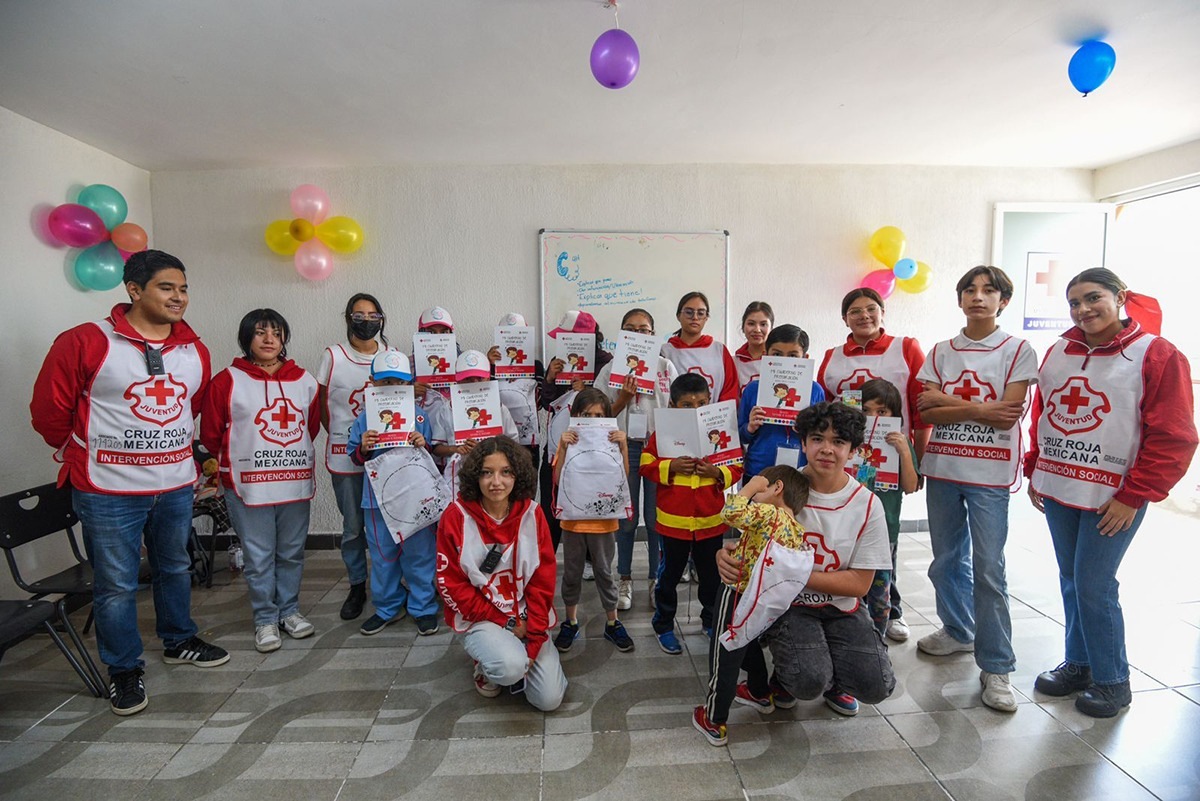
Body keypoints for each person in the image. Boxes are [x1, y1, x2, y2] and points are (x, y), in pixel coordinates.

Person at [31, 250, 229, 717]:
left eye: (183, 288)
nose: (178, 297)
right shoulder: (86, 341)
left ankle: (178, 639)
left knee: (175, 568)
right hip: (108, 489)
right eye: (166, 287)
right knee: (116, 584)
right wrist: (80, 450)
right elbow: (49, 412)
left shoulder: (194, 350)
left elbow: (190, 407)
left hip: (175, 484)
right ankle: (123, 669)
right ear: (134, 290)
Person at [1026, 268, 1197, 717]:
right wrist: (1035, 467)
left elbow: (1173, 436)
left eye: (1093, 298)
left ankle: (1112, 680)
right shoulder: (1060, 350)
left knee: (1094, 584)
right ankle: (1079, 664)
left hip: (1114, 496)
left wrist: (1135, 494)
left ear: (1120, 297)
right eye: (1074, 303)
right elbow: (1043, 411)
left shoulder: (1156, 354)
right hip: (1060, 486)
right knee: (1071, 581)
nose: (1083, 310)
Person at [716, 402, 895, 716]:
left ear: (853, 451)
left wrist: (789, 572)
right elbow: (747, 536)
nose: (827, 449)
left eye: (838, 442)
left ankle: (836, 679)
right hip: (792, 605)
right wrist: (727, 555)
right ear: (803, 443)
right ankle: (789, 677)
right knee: (807, 680)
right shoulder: (782, 489)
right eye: (817, 439)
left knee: (876, 685)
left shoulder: (867, 504)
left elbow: (858, 584)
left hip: (842, 605)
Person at [914, 266, 1038, 713]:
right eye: (970, 289)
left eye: (989, 291)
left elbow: (1010, 415)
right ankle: (958, 631)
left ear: (1003, 300)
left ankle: (997, 666)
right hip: (945, 469)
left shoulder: (1018, 349)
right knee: (946, 561)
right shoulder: (942, 351)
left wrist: (957, 406)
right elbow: (928, 409)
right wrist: (983, 408)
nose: (978, 297)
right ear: (959, 298)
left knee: (988, 569)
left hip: (989, 476)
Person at [201, 309, 320, 653]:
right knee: (258, 555)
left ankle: (290, 612)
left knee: (292, 552)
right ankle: (265, 618)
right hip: (247, 485)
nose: (269, 339)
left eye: (276, 333)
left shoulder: (305, 381)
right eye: (260, 332)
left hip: (292, 481)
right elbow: (211, 435)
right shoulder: (226, 381)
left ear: (284, 339)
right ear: (246, 338)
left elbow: (309, 429)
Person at [436, 437, 567, 711]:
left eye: (506, 472)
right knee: (509, 668)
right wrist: (506, 624)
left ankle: (521, 654)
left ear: (517, 476)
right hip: (482, 616)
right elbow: (451, 585)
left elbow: (543, 581)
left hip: (526, 613)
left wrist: (532, 639)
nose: (496, 482)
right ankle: (486, 663)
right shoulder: (456, 517)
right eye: (487, 472)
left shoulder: (533, 514)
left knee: (549, 700)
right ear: (476, 476)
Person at [693, 467, 809, 747]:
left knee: (724, 652)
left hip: (736, 594)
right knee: (748, 642)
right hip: (762, 601)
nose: (757, 494)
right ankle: (759, 691)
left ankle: (714, 717)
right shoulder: (796, 529)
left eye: (763, 489)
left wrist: (750, 486)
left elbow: (730, 513)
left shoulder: (771, 514)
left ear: (776, 488)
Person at [641, 373, 743, 655]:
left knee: (711, 577)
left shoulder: (722, 432)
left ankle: (710, 621)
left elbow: (737, 466)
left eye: (701, 403)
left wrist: (716, 472)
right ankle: (663, 624)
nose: (695, 409)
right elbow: (646, 463)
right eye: (687, 404)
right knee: (669, 577)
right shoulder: (661, 434)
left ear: (709, 402)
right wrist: (671, 467)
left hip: (710, 522)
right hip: (672, 522)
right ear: (673, 405)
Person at [347, 350, 442, 636]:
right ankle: (387, 607)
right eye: (385, 382)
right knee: (383, 555)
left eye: (399, 383)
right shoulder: (364, 419)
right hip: (376, 501)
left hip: (415, 498)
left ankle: (423, 607)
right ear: (372, 383)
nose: (392, 389)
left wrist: (422, 443)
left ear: (409, 384)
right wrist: (364, 446)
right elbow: (354, 455)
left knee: (420, 554)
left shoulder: (421, 416)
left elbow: (434, 456)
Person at [594, 308, 678, 610]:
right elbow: (600, 416)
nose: (638, 334)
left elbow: (677, 411)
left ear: (653, 334)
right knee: (627, 519)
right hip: (624, 446)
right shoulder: (609, 371)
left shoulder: (666, 367)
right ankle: (625, 577)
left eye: (644, 329)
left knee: (656, 520)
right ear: (622, 334)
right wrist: (624, 399)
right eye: (631, 329)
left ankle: (657, 579)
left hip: (658, 449)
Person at [317, 292, 389, 621]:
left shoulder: (391, 354)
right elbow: (322, 407)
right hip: (346, 455)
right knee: (353, 528)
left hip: (386, 457)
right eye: (359, 315)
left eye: (373, 315)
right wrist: (348, 439)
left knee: (388, 524)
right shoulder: (333, 356)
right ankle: (357, 584)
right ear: (348, 318)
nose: (367, 321)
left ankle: (390, 584)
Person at [551, 389, 635, 653]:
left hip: (604, 523)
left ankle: (613, 623)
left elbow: (623, 477)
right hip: (572, 523)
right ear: (575, 416)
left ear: (607, 418)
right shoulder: (568, 441)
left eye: (599, 415)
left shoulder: (613, 440)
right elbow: (556, 479)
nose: (593, 419)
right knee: (572, 573)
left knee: (604, 571)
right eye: (586, 415)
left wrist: (623, 444)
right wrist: (563, 446)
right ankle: (570, 621)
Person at [817, 287, 931, 457]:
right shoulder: (831, 356)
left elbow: (922, 413)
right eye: (855, 312)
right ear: (845, 320)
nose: (864, 316)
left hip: (895, 453)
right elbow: (822, 411)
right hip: (843, 455)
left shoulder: (907, 348)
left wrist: (918, 462)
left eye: (871, 309)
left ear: (882, 313)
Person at [540, 311, 613, 553]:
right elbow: (546, 403)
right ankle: (548, 557)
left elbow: (608, 405)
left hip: (593, 447)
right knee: (552, 501)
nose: (562, 341)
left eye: (566, 336)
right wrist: (550, 377)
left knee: (589, 500)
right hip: (558, 443)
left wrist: (587, 390)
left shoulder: (606, 361)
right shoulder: (558, 359)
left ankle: (592, 560)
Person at [857, 379, 920, 643]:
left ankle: (883, 627)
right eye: (866, 411)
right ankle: (855, 628)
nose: (873, 418)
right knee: (854, 581)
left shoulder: (900, 444)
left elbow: (911, 485)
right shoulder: (848, 442)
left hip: (885, 527)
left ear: (894, 414)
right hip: (851, 528)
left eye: (881, 412)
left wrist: (904, 452)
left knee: (882, 584)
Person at [738, 324, 826, 481]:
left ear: (805, 359)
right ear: (766, 356)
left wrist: (805, 427)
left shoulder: (815, 391)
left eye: (793, 356)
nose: (785, 362)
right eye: (777, 354)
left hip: (800, 472)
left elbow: (821, 435)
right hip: (758, 470)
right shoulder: (753, 389)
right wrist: (750, 428)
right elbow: (740, 436)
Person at [487, 312, 544, 470]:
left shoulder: (536, 366)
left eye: (519, 335)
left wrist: (523, 380)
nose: (513, 340)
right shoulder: (489, 366)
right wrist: (488, 365)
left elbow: (540, 404)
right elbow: (483, 398)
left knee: (527, 483)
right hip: (498, 439)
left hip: (528, 440)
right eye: (507, 335)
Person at [661, 291, 741, 406]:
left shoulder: (719, 350)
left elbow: (730, 391)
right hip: (676, 420)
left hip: (713, 421)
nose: (695, 317)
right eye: (689, 312)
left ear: (706, 317)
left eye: (701, 313)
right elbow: (661, 392)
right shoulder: (665, 352)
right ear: (678, 316)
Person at [734, 301, 774, 388]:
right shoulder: (733, 362)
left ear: (771, 328)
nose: (757, 330)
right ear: (743, 327)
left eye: (763, 324)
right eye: (751, 324)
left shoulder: (778, 360)